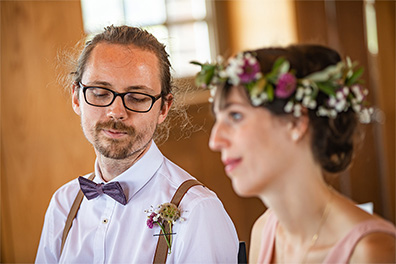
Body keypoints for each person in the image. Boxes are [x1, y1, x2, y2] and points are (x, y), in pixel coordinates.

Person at [36, 25, 239, 263]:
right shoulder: (63, 204)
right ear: (76, 97)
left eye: (138, 97)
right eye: (100, 92)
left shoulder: (197, 211)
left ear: (164, 107)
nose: (116, 112)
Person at [193, 44, 396, 263]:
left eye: (235, 116)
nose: (215, 141)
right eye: (218, 120)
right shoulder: (263, 231)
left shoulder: (371, 251)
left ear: (296, 122)